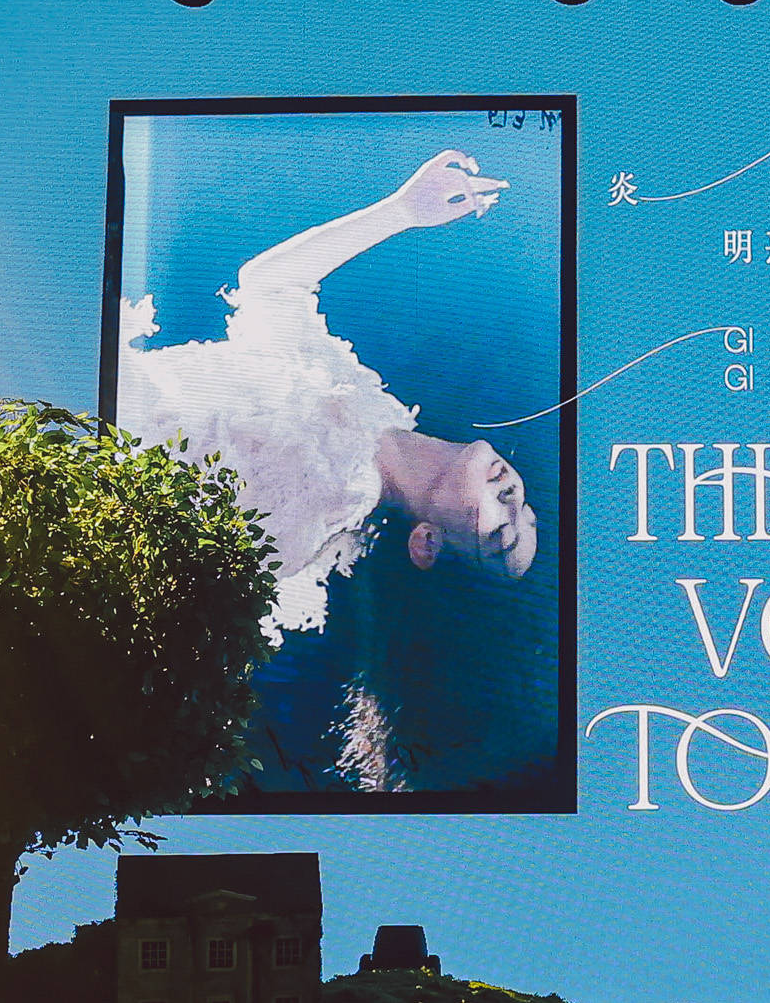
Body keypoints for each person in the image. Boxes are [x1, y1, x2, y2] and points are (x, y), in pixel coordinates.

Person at [117, 147, 543, 639]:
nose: (512, 498)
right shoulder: (368, 403)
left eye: (501, 533)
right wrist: (400, 211)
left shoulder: (316, 517)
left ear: (426, 543)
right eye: (526, 509)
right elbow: (268, 287)